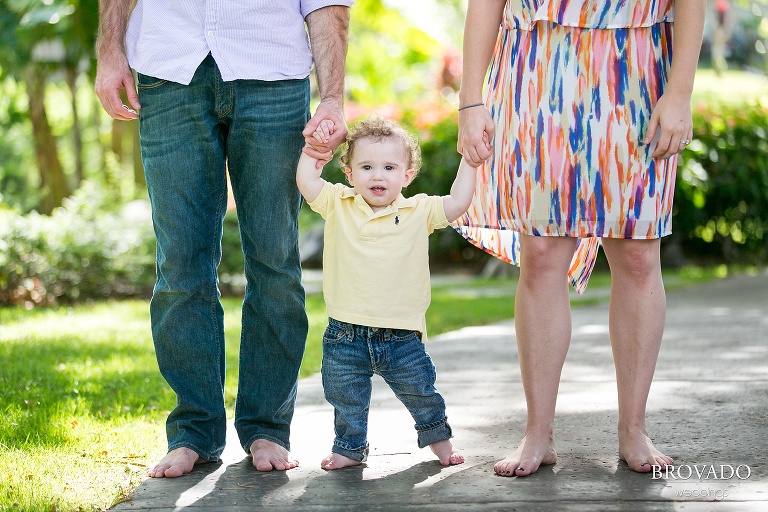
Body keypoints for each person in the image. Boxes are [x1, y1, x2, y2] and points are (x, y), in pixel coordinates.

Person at [94, 0, 353, 478]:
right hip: (167, 68)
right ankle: (193, 431)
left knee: (275, 262)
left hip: (271, 70)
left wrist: (333, 96)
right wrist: (109, 51)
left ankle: (267, 427)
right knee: (180, 267)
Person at [455, 0, 704, 477]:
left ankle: (634, 429)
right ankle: (537, 432)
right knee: (542, 251)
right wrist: (470, 99)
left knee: (636, 253)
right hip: (535, 64)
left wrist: (680, 93)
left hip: (638, 66)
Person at [296, 117, 475, 469]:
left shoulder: (419, 209)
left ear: (407, 176)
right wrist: (313, 152)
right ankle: (349, 450)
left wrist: (469, 162)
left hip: (401, 334)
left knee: (421, 392)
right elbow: (306, 181)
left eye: (389, 167)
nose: (378, 176)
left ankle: (440, 441)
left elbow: (457, 202)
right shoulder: (338, 202)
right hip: (345, 332)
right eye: (366, 167)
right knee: (346, 398)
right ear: (348, 173)